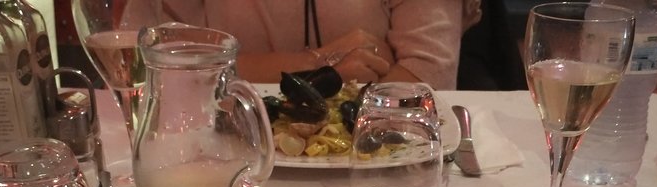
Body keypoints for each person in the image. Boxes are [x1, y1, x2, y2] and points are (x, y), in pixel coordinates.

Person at [158, 0, 473, 89]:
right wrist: (321, 64)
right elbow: (163, 69)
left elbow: (428, 78)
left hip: (381, 175)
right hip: (223, 158)